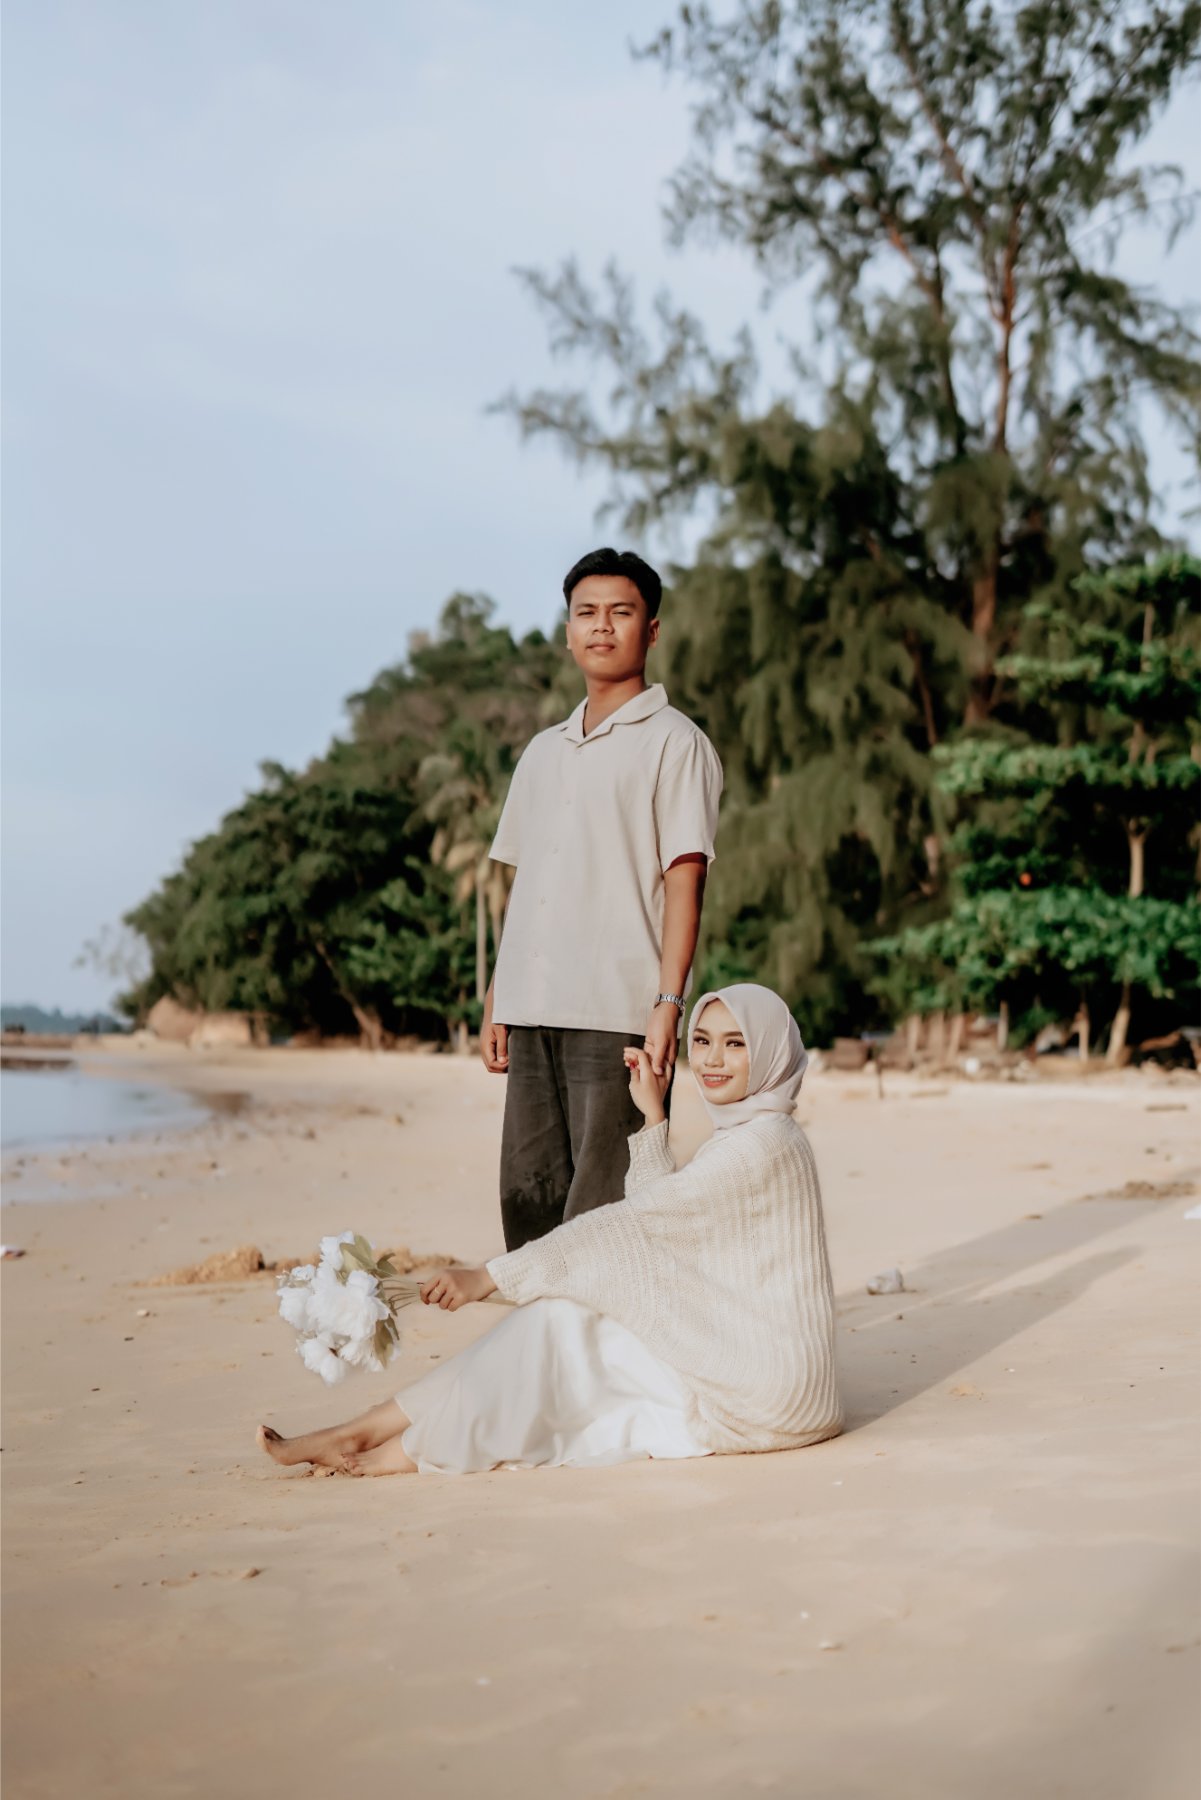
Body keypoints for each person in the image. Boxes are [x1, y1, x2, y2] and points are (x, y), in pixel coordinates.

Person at [256, 984, 842, 1478]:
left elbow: (634, 1224)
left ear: (770, 1052)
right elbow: (659, 1217)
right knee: (567, 1324)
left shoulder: (759, 1146)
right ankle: (372, 1434)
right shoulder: (764, 1133)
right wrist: (654, 1117)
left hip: (765, 1397)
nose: (712, 1060)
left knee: (560, 1322)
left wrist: (490, 1277)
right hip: (774, 1379)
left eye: (736, 1044)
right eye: (704, 1041)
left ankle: (387, 1445)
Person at [483, 546, 723, 1251]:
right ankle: (542, 1327)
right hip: (533, 1007)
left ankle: (608, 1330)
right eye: (586, 613)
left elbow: (685, 879)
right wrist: (499, 993)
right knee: (528, 1205)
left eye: (621, 612)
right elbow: (527, 882)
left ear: (652, 630)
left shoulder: (676, 743)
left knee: (608, 1211)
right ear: (568, 632)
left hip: (617, 1011)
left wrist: (667, 1004)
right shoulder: (542, 751)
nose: (602, 626)